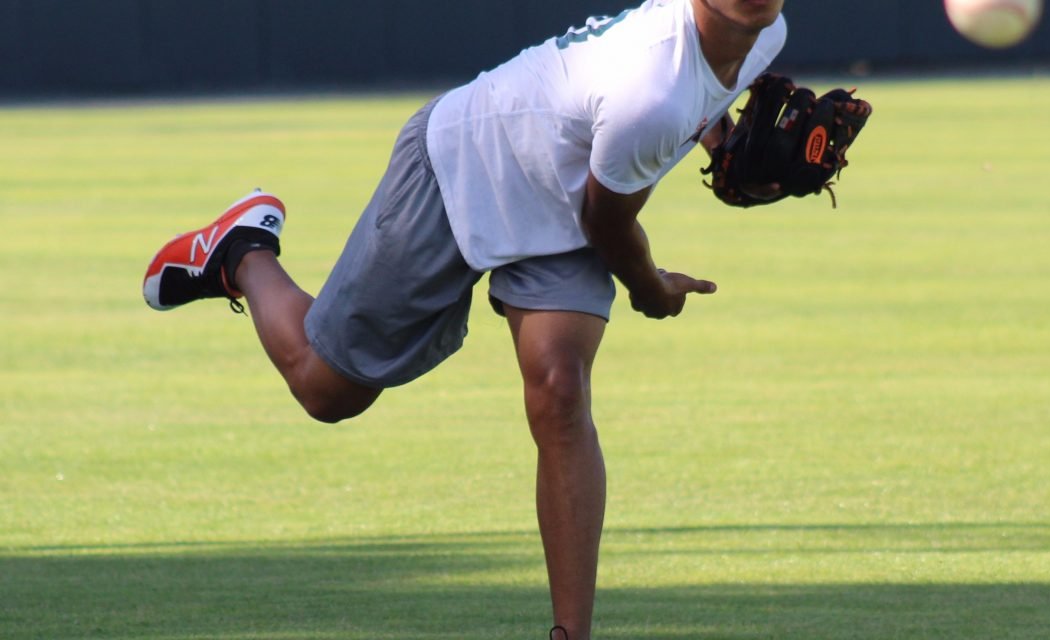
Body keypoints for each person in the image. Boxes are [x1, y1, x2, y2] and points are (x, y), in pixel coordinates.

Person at [142, 1, 787, 637]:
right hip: (467, 163)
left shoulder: (765, 36)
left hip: (566, 201)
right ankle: (243, 251)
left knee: (561, 393)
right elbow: (609, 224)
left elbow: (691, 101)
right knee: (324, 388)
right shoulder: (650, 92)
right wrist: (654, 290)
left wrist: (720, 138)